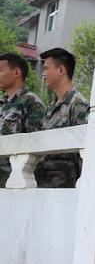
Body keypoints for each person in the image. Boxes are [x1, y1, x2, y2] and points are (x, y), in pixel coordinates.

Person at [34, 48, 89, 189]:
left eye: (46, 68)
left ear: (60, 70)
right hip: (44, 180)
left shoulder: (78, 104)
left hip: (64, 184)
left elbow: (83, 152)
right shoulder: (52, 106)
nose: (43, 74)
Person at [0, 52, 45, 187]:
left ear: (16, 72)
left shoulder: (31, 102)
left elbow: (36, 144)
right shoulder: (2, 103)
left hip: (13, 179)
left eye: (0, 70)